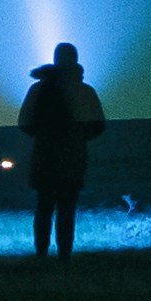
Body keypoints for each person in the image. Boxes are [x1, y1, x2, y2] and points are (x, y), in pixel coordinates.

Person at [19, 43, 105, 256]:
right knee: (67, 209)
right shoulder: (85, 91)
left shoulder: (38, 89)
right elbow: (98, 125)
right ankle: (64, 256)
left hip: (44, 156)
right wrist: (77, 139)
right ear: (76, 60)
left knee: (44, 208)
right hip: (73, 158)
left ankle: (41, 254)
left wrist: (43, 137)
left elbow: (24, 122)